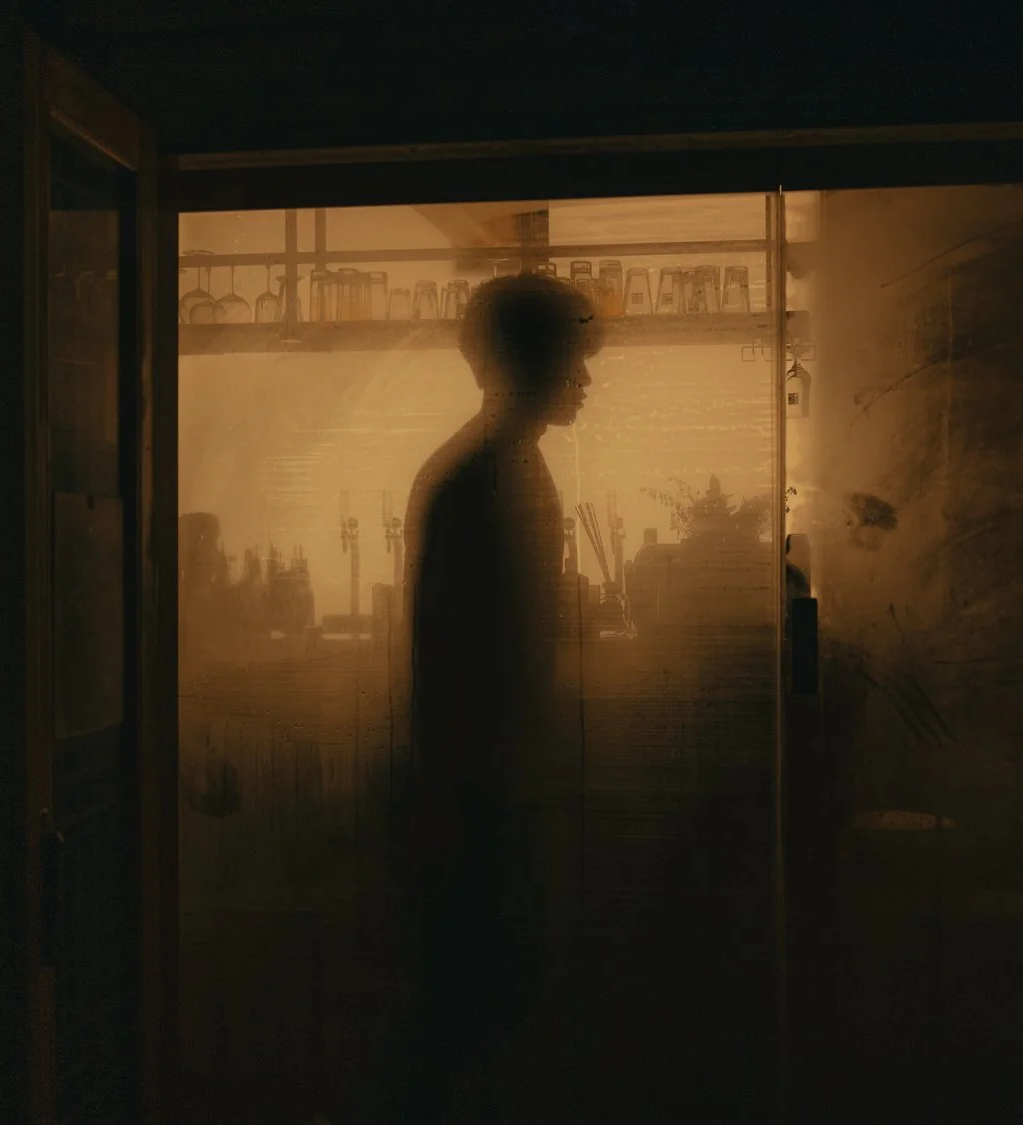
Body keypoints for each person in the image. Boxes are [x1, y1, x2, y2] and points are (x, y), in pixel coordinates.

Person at [371, 273, 599, 1125]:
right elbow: (461, 657)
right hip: (477, 792)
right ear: (534, 360)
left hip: (482, 787)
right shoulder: (488, 474)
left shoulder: (495, 466)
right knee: (475, 999)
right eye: (575, 357)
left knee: (474, 1000)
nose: (587, 378)